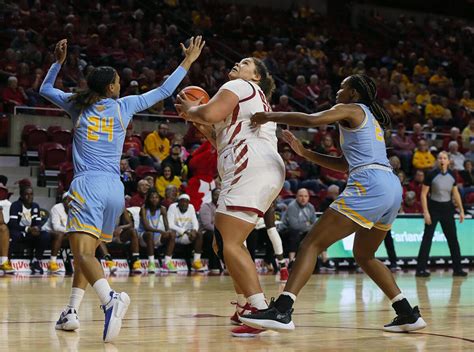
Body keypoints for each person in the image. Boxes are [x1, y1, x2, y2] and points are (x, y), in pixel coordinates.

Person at [39, 37, 204, 341]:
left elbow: (45, 90)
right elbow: (166, 91)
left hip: (88, 184)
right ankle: (71, 311)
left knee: (82, 252)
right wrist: (188, 61)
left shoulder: (77, 103)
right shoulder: (124, 105)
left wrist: (57, 63)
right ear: (113, 88)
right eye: (117, 82)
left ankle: (109, 300)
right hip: (115, 190)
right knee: (86, 253)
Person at [240, 74, 426, 333]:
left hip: (370, 184)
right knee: (365, 255)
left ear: (353, 93)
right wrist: (305, 153)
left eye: (342, 87)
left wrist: (268, 116)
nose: (338, 90)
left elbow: (311, 120)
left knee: (310, 244)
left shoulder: (348, 108)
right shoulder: (371, 120)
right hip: (391, 186)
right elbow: (345, 164)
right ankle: (407, 313)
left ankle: (281, 311)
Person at [175, 56, 285, 337]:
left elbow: (209, 114)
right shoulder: (250, 98)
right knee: (222, 242)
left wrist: (194, 108)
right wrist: (198, 120)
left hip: (250, 165)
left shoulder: (239, 85)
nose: (238, 63)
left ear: (256, 76)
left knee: (230, 242)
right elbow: (217, 135)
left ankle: (261, 310)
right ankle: (246, 305)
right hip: (259, 167)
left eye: (246, 62)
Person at [416, 151, 467, 277]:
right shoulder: (431, 174)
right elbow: (423, 195)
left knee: (453, 239)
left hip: (448, 209)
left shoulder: (452, 175)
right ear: (437, 160)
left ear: (448, 161)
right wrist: (426, 212)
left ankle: (458, 269)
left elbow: (455, 193)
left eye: (444, 158)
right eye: (440, 158)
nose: (442, 160)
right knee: (427, 239)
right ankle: (420, 269)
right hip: (433, 208)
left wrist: (461, 210)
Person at [8, 186, 50, 275]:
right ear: (21, 195)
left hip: (29, 233)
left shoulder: (35, 206)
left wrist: (37, 229)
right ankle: (7, 260)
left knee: (45, 235)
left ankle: (36, 261)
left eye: (31, 194)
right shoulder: (16, 205)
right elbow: (12, 224)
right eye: (26, 194)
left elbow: (37, 223)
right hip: (18, 231)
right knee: (14, 235)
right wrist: (27, 229)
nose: (29, 196)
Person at [138, 189, 176, 273]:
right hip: (143, 236)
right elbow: (146, 227)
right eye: (152, 197)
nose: (154, 199)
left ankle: (167, 262)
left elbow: (167, 227)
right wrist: (160, 231)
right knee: (149, 234)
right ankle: (151, 263)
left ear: (159, 199)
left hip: (156, 235)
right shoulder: (143, 209)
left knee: (172, 234)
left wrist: (168, 232)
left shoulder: (162, 209)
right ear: (148, 199)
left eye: (156, 197)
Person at [167, 194, 204, 271]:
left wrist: (194, 231)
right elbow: (170, 225)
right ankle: (167, 262)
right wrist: (186, 232)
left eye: (186, 202)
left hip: (186, 236)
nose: (184, 204)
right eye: (182, 201)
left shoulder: (191, 207)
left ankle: (196, 262)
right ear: (178, 202)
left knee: (199, 234)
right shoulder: (173, 207)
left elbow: (195, 222)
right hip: (175, 236)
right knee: (172, 234)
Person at [279, 188, 317, 263]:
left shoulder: (311, 207)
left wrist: (306, 225)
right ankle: (291, 260)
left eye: (306, 196)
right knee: (294, 232)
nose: (303, 199)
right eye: (301, 196)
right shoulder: (292, 206)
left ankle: (322, 259)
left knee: (317, 233)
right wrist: (307, 224)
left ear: (308, 197)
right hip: (285, 231)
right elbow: (294, 226)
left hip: (302, 231)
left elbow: (314, 224)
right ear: (296, 197)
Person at [42, 193, 69, 273]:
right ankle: (52, 263)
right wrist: (71, 231)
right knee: (59, 234)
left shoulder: (75, 209)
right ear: (63, 201)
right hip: (47, 232)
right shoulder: (56, 208)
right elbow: (56, 227)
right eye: (67, 199)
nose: (70, 202)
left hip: (64, 234)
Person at [199, 188, 222, 273]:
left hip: (219, 231)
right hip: (205, 233)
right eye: (216, 195)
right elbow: (207, 225)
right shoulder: (206, 206)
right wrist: (221, 231)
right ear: (212, 196)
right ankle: (214, 265)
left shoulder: (224, 207)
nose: (218, 197)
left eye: (219, 195)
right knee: (213, 236)